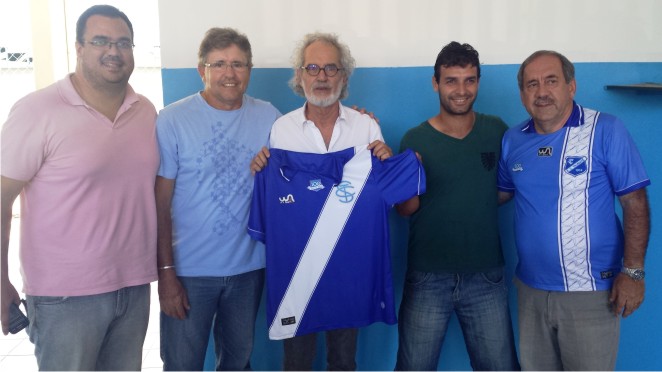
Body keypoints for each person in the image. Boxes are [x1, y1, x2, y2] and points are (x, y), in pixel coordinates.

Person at [0, 5, 158, 370]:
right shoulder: (37, 111)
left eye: (123, 42)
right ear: (79, 47)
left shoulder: (144, 111)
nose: (113, 52)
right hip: (64, 297)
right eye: (100, 40)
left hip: (133, 286)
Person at [250, 32, 396, 371]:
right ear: (300, 76)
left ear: (343, 77)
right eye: (312, 67)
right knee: (297, 362)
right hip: (298, 268)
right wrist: (261, 168)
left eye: (331, 68)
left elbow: (381, 196)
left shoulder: (366, 128)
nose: (322, 76)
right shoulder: (280, 130)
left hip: (348, 267)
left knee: (344, 361)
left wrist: (385, 162)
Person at [497, 50, 651, 370]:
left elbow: (634, 202)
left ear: (571, 87)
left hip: (592, 293)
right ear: (522, 94)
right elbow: (499, 196)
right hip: (531, 291)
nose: (541, 92)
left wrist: (633, 272)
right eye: (531, 84)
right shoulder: (513, 140)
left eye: (551, 81)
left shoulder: (605, 129)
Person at [155, 28, 281, 371]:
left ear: (250, 70)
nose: (230, 73)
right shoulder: (172, 119)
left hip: (248, 269)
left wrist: (359, 122)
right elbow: (160, 204)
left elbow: (308, 148)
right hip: (188, 272)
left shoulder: (269, 116)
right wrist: (166, 273)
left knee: (238, 363)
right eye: (220, 64)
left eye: (239, 64)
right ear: (202, 70)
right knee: (182, 364)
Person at [394, 42, 519, 371]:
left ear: (479, 81)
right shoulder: (414, 139)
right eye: (451, 80)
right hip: (427, 277)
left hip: (486, 276)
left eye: (470, 80)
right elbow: (404, 209)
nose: (461, 90)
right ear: (435, 82)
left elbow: (507, 189)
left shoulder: (497, 131)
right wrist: (410, 176)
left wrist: (474, 201)